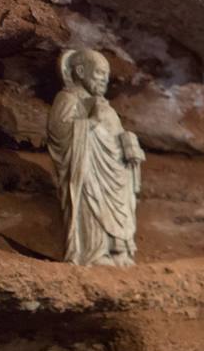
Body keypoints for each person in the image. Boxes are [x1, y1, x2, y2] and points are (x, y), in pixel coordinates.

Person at [46, 48, 145, 267]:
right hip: (88, 168)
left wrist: (127, 141)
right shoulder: (67, 98)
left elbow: (115, 133)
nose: (105, 80)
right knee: (90, 200)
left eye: (107, 76)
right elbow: (59, 132)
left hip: (113, 172)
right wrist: (91, 123)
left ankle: (119, 250)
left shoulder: (104, 105)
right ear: (80, 71)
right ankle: (94, 251)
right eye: (100, 73)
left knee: (120, 200)